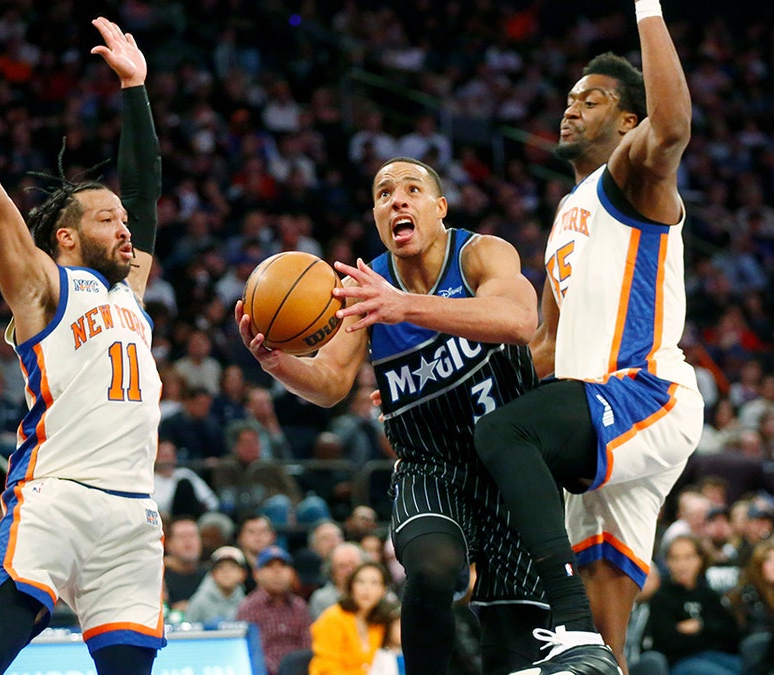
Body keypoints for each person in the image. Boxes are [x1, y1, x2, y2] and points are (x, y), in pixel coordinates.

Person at [0, 16, 165, 674]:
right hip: (57, 496)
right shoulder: (43, 285)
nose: (126, 228)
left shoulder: (130, 292)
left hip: (133, 515)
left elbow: (147, 193)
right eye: (108, 218)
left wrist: (136, 90)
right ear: (66, 236)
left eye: (124, 221)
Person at [235, 154, 559, 674]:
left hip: (512, 469)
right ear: (378, 218)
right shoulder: (366, 289)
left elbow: (520, 320)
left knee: (512, 653)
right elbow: (329, 384)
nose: (398, 200)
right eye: (385, 194)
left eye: (411, 189)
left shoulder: (481, 254)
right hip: (430, 467)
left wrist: (403, 307)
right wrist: (277, 364)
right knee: (431, 574)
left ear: (440, 208)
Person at [472, 3, 704, 668]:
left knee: (505, 434)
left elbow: (675, 126)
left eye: (593, 99)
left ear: (629, 120)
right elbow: (543, 347)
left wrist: (649, 8)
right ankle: (583, 636)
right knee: (603, 650)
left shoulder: (633, 178)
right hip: (593, 415)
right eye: (570, 98)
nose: (572, 109)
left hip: (641, 394)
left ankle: (563, 618)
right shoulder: (568, 212)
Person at [644, 536, 741, 675]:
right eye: (675, 558)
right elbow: (667, 641)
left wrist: (700, 626)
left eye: (688, 557)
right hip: (680, 662)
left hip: (714, 655)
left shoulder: (707, 593)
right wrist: (709, 632)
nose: (681, 565)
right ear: (667, 562)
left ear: (699, 560)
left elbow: (731, 632)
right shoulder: (661, 598)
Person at [310, 562, 401, 675]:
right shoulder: (332, 618)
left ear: (383, 591)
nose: (367, 588)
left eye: (374, 583)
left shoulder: (380, 621)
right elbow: (326, 668)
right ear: (351, 587)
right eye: (360, 582)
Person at [236, 546, 313, 675]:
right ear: (256, 574)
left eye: (283, 566)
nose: (277, 572)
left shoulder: (299, 606)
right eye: (270, 567)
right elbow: (250, 653)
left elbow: (308, 646)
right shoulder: (248, 608)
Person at [184, 545, 249, 625]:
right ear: (213, 574)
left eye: (232, 567)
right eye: (220, 567)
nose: (226, 572)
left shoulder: (245, 602)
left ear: (242, 574)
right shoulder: (199, 601)